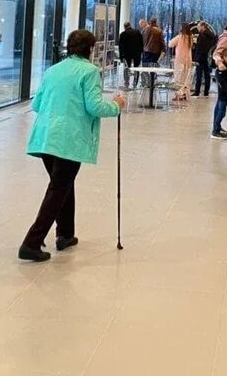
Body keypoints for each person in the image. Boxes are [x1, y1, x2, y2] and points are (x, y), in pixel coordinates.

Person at [19, 30, 126, 262]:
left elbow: (37, 104)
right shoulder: (89, 71)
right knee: (58, 189)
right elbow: (95, 107)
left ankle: (65, 234)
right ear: (91, 49)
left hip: (46, 137)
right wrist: (117, 105)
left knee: (62, 185)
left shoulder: (53, 70)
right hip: (69, 139)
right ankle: (31, 242)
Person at [168, 23, 194, 100]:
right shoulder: (190, 38)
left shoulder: (179, 37)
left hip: (180, 59)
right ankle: (185, 93)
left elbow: (170, 44)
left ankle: (179, 94)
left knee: (178, 78)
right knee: (186, 78)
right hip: (188, 60)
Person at [191, 21, 216, 97]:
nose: (198, 28)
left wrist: (196, 57)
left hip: (200, 57)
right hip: (207, 57)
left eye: (198, 27)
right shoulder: (212, 36)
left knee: (199, 74)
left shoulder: (202, 36)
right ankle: (206, 92)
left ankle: (197, 91)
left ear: (203, 26)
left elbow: (199, 47)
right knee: (207, 75)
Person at [117, 22, 143, 89]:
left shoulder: (123, 34)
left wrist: (121, 57)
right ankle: (135, 83)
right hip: (137, 53)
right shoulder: (137, 32)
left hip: (127, 54)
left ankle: (126, 82)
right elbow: (142, 43)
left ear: (124, 27)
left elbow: (120, 47)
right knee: (136, 68)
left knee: (127, 68)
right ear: (130, 25)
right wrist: (141, 52)